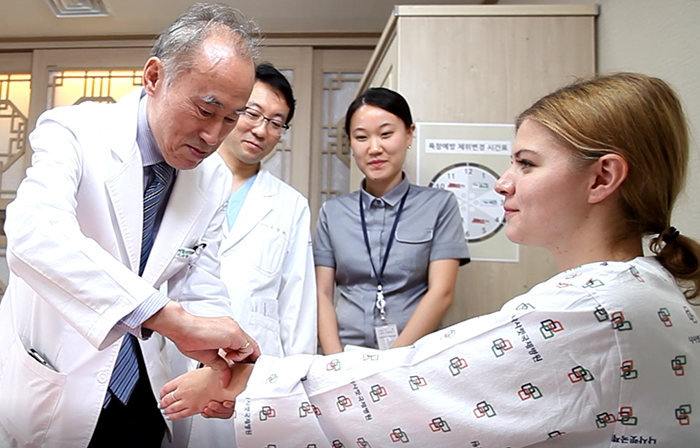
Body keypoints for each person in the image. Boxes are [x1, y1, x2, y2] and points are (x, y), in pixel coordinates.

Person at [159, 72, 700, 447]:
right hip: (311, 361)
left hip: (330, 366)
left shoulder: (596, 309)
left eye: (527, 164)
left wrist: (250, 381)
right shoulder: (630, 290)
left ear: (603, 177)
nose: (504, 183)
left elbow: (419, 380)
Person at [0, 4, 264, 448]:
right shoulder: (75, 130)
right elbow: (34, 234)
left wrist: (216, 365)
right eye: (205, 110)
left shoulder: (214, 177)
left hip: (146, 384)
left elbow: (199, 278)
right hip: (55, 377)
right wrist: (165, 317)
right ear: (155, 77)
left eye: (231, 118)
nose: (214, 136)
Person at [175, 62, 317, 448]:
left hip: (251, 371)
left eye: (276, 122)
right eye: (253, 113)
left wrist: (292, 388)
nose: (261, 129)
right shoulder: (182, 182)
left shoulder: (290, 205)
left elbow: (298, 303)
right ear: (231, 109)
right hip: (174, 358)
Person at [315, 87, 470, 353]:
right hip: (345, 355)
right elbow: (322, 294)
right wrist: (334, 362)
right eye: (361, 137)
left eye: (386, 134)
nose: (375, 148)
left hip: (413, 356)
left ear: (409, 133)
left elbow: (442, 292)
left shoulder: (439, 205)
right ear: (351, 143)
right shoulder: (332, 212)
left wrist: (394, 363)